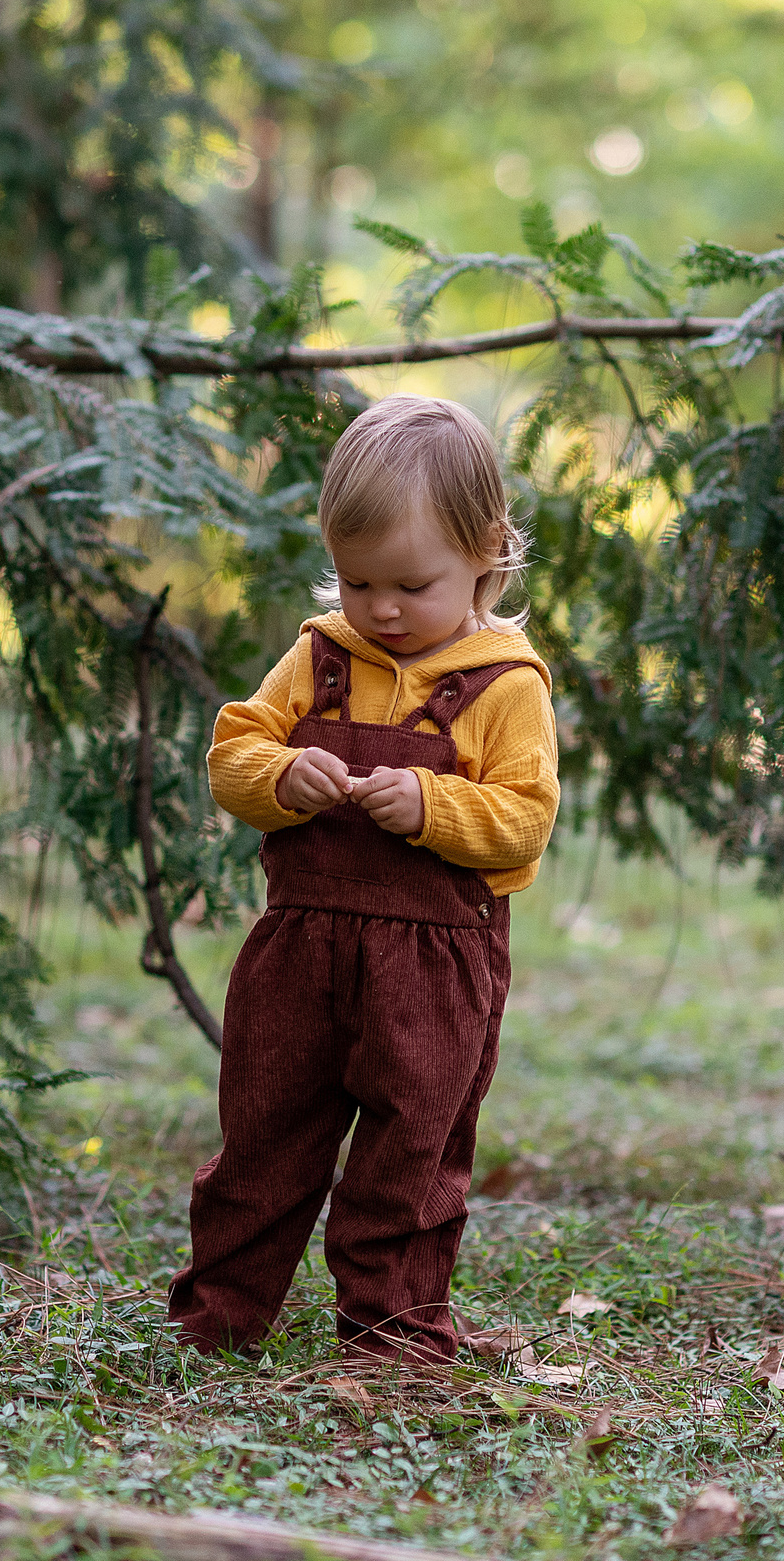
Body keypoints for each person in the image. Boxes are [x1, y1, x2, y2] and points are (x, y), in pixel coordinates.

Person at [167, 393, 561, 1364]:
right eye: (356, 582)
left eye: (410, 585)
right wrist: (278, 777)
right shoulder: (317, 660)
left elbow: (523, 821)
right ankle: (221, 1313)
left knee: (409, 1144)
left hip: (434, 960)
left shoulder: (504, 686)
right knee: (265, 1129)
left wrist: (432, 808)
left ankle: (390, 1326)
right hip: (300, 943)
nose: (380, 609)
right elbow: (232, 752)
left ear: (488, 553)